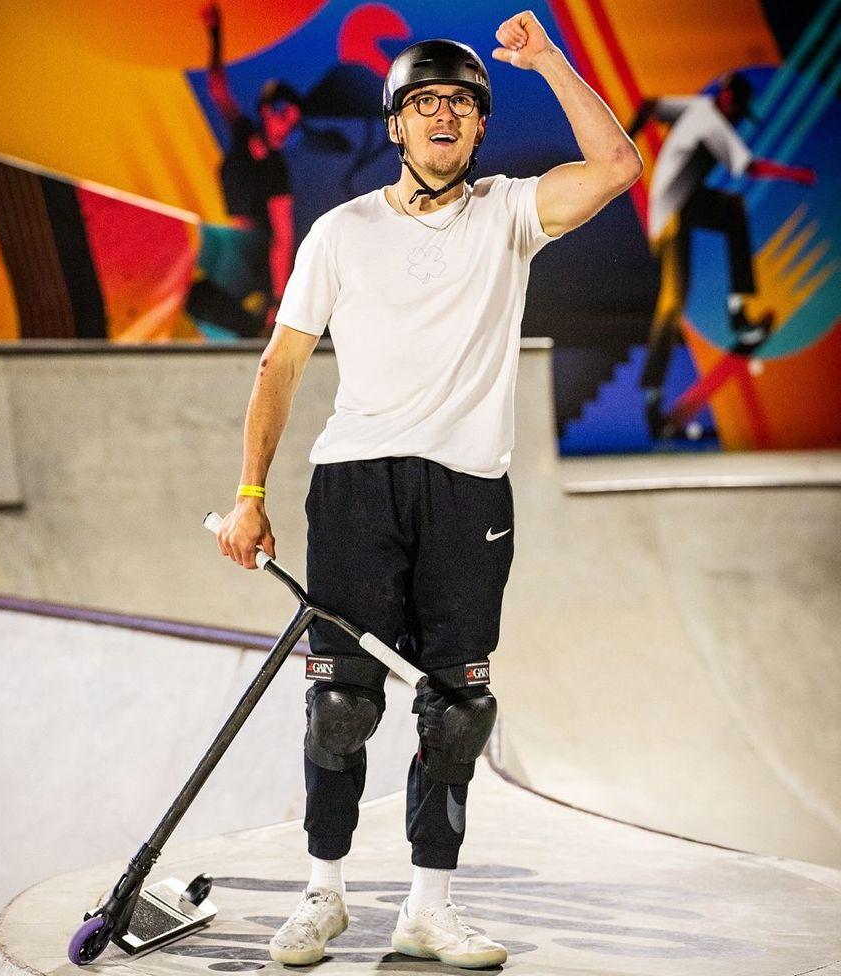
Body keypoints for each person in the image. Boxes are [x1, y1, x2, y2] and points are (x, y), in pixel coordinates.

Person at [216, 11, 641, 967]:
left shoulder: (510, 212)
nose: (442, 115)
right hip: (356, 485)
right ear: (397, 124)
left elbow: (616, 167)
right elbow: (279, 368)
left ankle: (427, 907)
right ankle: (321, 895)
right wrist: (250, 491)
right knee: (341, 703)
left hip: (467, 495)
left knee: (456, 708)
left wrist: (546, 61)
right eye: (424, 102)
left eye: (459, 103)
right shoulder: (340, 233)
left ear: (478, 126)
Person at [628, 72, 815, 439]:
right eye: (737, 109)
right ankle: (652, 404)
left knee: (732, 209)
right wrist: (794, 174)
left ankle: (737, 313)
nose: (735, 119)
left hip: (683, 202)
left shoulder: (695, 108)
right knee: (672, 302)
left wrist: (624, 140)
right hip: (672, 215)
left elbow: (650, 106)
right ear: (727, 97)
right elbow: (752, 167)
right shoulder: (712, 121)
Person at [188, 3, 303, 337]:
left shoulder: (275, 169)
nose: (287, 126)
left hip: (251, 261)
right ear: (266, 111)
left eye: (293, 122)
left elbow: (283, 238)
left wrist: (280, 299)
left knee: (204, 303)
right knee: (199, 301)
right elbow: (217, 88)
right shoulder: (244, 134)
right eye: (283, 115)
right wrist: (215, 34)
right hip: (231, 246)